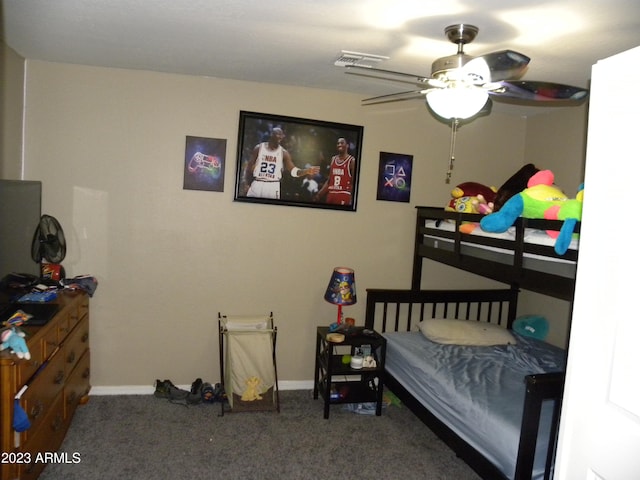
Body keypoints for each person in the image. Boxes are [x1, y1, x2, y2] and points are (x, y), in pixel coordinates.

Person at [244, 127, 319, 199]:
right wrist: (247, 183)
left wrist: (306, 171)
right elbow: (249, 166)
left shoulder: (284, 153)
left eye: (282, 135)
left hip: (273, 185)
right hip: (257, 182)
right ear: (271, 135)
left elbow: (293, 171)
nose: (280, 136)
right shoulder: (259, 148)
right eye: (278, 134)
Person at [314, 137, 356, 206]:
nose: (339, 145)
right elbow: (329, 181)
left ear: (347, 145)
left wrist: (351, 199)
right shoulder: (333, 159)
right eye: (338, 143)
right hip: (331, 194)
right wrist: (319, 194)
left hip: (343, 194)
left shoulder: (351, 161)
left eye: (342, 143)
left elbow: (353, 182)